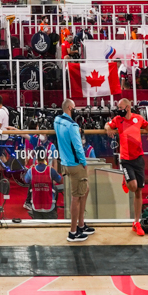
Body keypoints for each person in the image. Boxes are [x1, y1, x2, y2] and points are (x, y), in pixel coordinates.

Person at [54, 99, 92, 241]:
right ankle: (73, 232)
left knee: (85, 189)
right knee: (76, 197)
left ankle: (81, 224)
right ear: (70, 108)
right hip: (76, 165)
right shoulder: (72, 126)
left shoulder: (57, 120)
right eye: (74, 108)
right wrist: (84, 164)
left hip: (65, 163)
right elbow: (78, 147)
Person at [107, 97, 148, 199]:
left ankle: (136, 215)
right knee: (133, 186)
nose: (118, 110)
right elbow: (107, 124)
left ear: (127, 108)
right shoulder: (118, 119)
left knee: (139, 191)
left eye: (120, 107)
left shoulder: (138, 118)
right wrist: (108, 128)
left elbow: (147, 126)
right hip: (125, 158)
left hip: (138, 157)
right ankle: (125, 179)